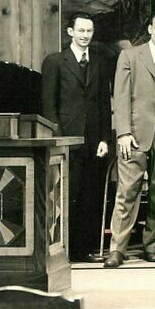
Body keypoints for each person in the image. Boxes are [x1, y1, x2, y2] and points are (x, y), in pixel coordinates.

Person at [104, 10, 155, 268]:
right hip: (134, 137)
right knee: (127, 194)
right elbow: (121, 96)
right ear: (149, 29)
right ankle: (118, 249)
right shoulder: (130, 56)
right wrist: (123, 132)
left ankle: (152, 246)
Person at [41, 13, 113, 262]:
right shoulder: (55, 62)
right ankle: (64, 251)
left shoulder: (100, 62)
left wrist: (105, 138)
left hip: (94, 142)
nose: (85, 35)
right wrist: (59, 139)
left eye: (89, 31)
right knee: (66, 197)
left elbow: (104, 103)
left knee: (90, 197)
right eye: (81, 30)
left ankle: (84, 250)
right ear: (70, 32)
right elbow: (49, 107)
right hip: (66, 141)